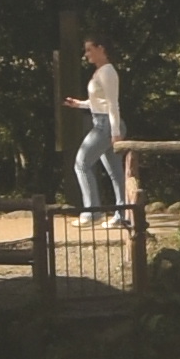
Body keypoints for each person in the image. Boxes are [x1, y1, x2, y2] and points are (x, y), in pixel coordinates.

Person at [64, 35, 129, 222]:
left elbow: (112, 104)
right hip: (103, 121)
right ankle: (121, 214)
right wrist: (80, 104)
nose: (86, 54)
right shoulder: (100, 72)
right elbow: (98, 102)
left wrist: (115, 133)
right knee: (115, 172)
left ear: (101, 48)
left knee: (81, 164)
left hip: (105, 125)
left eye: (89, 49)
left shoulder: (107, 72)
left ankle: (92, 211)